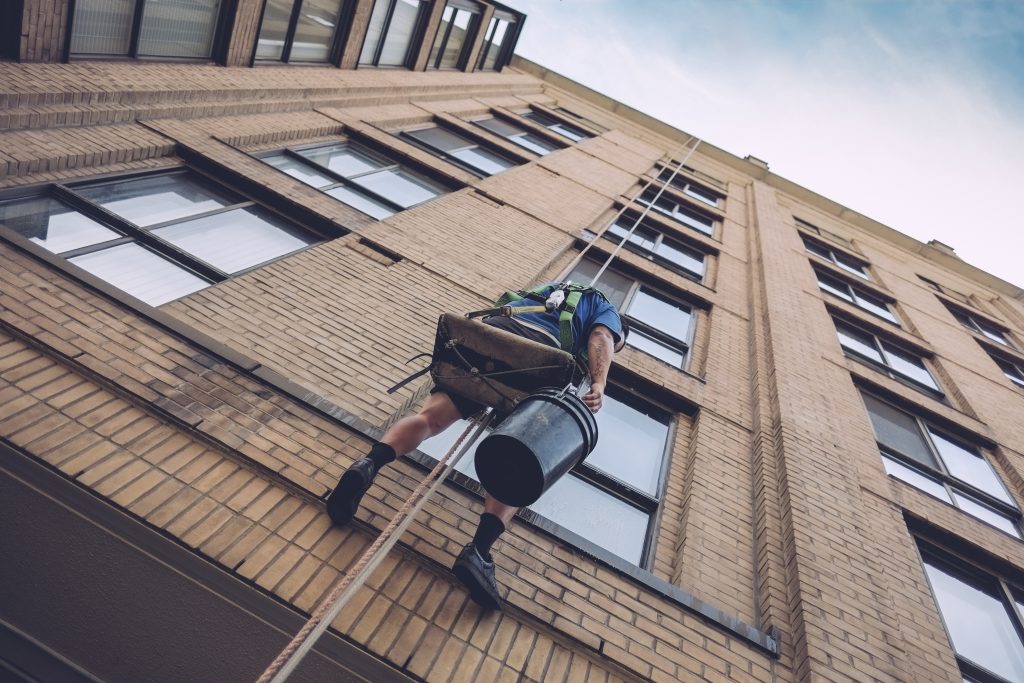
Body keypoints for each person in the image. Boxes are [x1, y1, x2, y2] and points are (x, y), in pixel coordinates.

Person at [326, 282, 626, 610]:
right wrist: (599, 382)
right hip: (538, 354)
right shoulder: (602, 305)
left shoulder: (549, 290)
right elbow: (602, 338)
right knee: (519, 456)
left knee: (430, 418)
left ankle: (368, 464)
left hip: (489, 339)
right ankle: (479, 552)